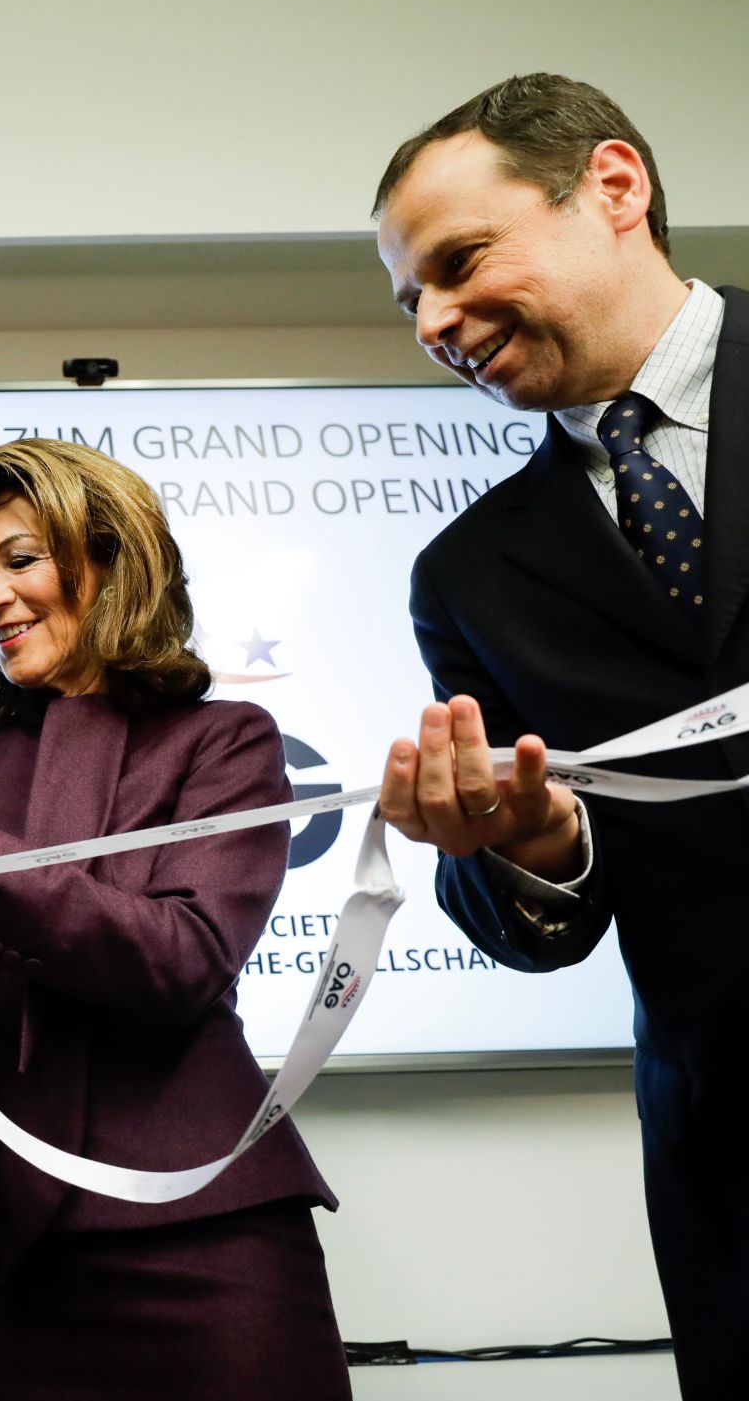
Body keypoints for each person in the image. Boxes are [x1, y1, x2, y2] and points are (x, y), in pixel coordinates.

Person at [0, 439, 349, 1400]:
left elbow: (181, 960)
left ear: (113, 557)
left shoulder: (227, 741)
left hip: (200, 1228)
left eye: (18, 559)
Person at [371, 72, 749, 1399]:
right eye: (408, 296)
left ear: (613, 187)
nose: (431, 320)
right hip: (733, 1159)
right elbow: (536, 912)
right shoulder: (468, 575)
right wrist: (530, 843)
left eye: (457, 263)